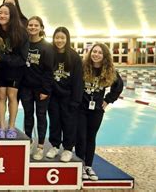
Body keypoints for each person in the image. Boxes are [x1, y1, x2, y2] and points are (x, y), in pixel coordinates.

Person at [76, 43, 123, 181]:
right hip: (81, 109)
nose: (96, 54)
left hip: (96, 110)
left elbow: (118, 86)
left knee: (91, 137)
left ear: (104, 56)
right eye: (94, 51)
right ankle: (80, 164)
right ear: (90, 53)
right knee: (81, 137)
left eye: (100, 52)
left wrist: (108, 100)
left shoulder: (109, 71)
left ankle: (89, 166)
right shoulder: (83, 67)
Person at [0, 3, 29, 139]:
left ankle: (11, 127)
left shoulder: (21, 32)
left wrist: (1, 57)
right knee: (0, 95)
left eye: (5, 13)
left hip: (15, 69)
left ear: (12, 15)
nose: (2, 15)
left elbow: (22, 58)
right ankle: (1, 126)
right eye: (0, 12)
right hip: (0, 69)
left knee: (12, 96)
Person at [45, 27, 83, 162]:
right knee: (54, 122)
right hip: (53, 96)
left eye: (62, 38)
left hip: (68, 96)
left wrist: (75, 100)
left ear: (67, 39)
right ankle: (55, 146)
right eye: (57, 37)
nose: (59, 40)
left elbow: (78, 80)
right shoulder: (50, 54)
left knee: (69, 123)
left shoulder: (74, 57)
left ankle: (67, 149)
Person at [20, 16, 54, 160]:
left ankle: (40, 146)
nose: (33, 27)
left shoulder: (47, 47)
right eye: (30, 25)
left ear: (41, 28)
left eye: (36, 25)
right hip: (26, 87)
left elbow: (49, 70)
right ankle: (28, 141)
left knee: (41, 116)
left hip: (41, 89)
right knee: (28, 115)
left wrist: (46, 90)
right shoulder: (24, 44)